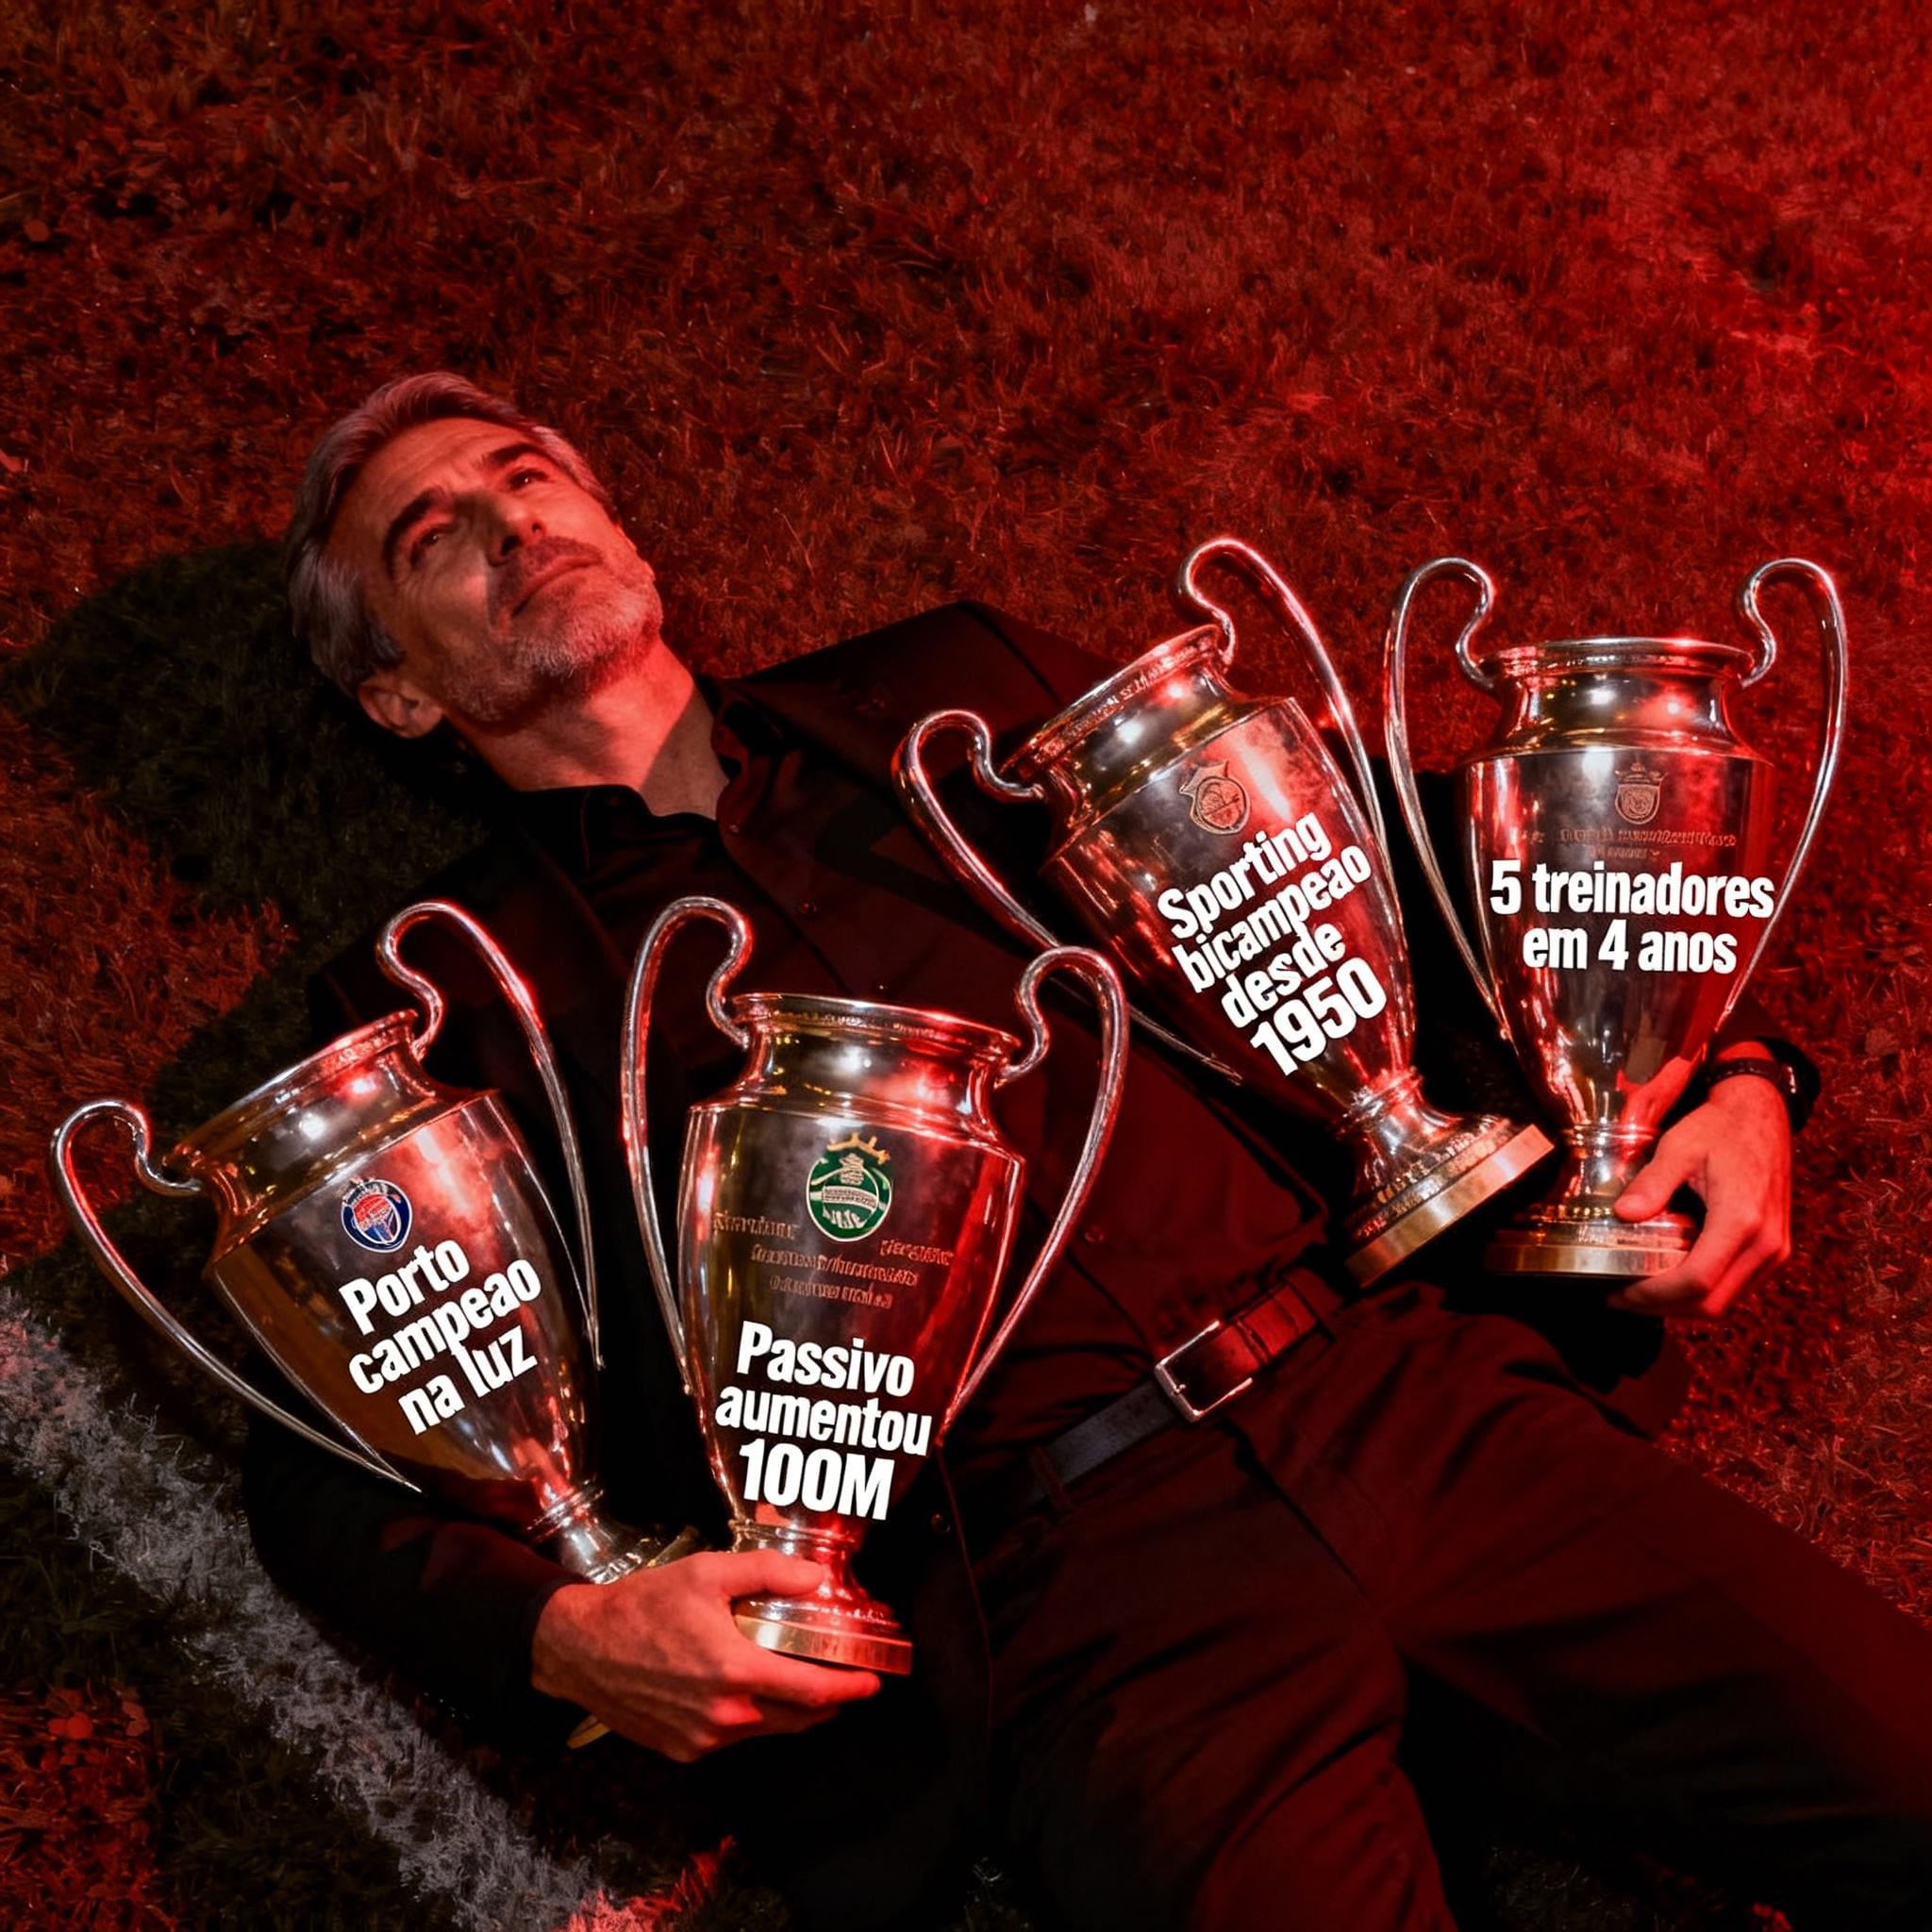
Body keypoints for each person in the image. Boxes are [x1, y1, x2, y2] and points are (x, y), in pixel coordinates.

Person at [246, 372, 1932, 1931]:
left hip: (1406, 1397)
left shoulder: (959, 683)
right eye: (435, 538)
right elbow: (328, 1464)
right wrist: (565, 1634)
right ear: (399, 691)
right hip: (1076, 1606)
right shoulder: (434, 1003)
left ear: (623, 533)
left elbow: (1405, 857)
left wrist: (1739, 1073)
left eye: (528, 478)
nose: (513, 525)